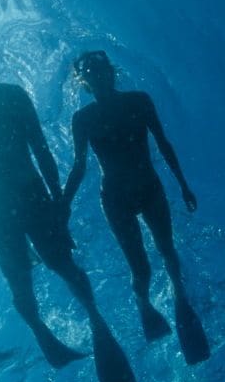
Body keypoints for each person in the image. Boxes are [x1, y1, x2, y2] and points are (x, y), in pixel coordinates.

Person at [0, 40, 139, 382]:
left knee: (63, 265)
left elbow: (41, 147)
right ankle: (46, 335)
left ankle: (97, 326)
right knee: (20, 281)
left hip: (32, 197)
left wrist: (58, 199)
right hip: (0, 205)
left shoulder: (10, 96)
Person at [64, 50, 210, 365]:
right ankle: (144, 305)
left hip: (150, 189)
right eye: (91, 73)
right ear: (84, 81)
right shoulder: (83, 119)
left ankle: (180, 298)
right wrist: (62, 206)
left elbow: (163, 142)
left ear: (110, 72)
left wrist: (183, 184)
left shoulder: (139, 101)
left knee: (167, 250)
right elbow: (79, 166)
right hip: (115, 198)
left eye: (101, 70)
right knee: (140, 267)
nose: (98, 76)